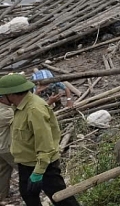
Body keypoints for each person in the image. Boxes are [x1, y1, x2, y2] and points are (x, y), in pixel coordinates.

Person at [0, 74, 80, 206]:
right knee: (28, 196)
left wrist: (39, 171)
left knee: (62, 199)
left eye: (2, 96)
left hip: (44, 165)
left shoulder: (35, 109)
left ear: (12, 94)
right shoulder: (18, 107)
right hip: (25, 163)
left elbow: (45, 144)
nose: (1, 99)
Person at [0, 104, 14, 201]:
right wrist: (50, 103)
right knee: (25, 169)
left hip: (1, 148)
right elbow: (24, 115)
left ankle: (2, 195)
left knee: (3, 172)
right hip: (6, 148)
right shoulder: (6, 113)